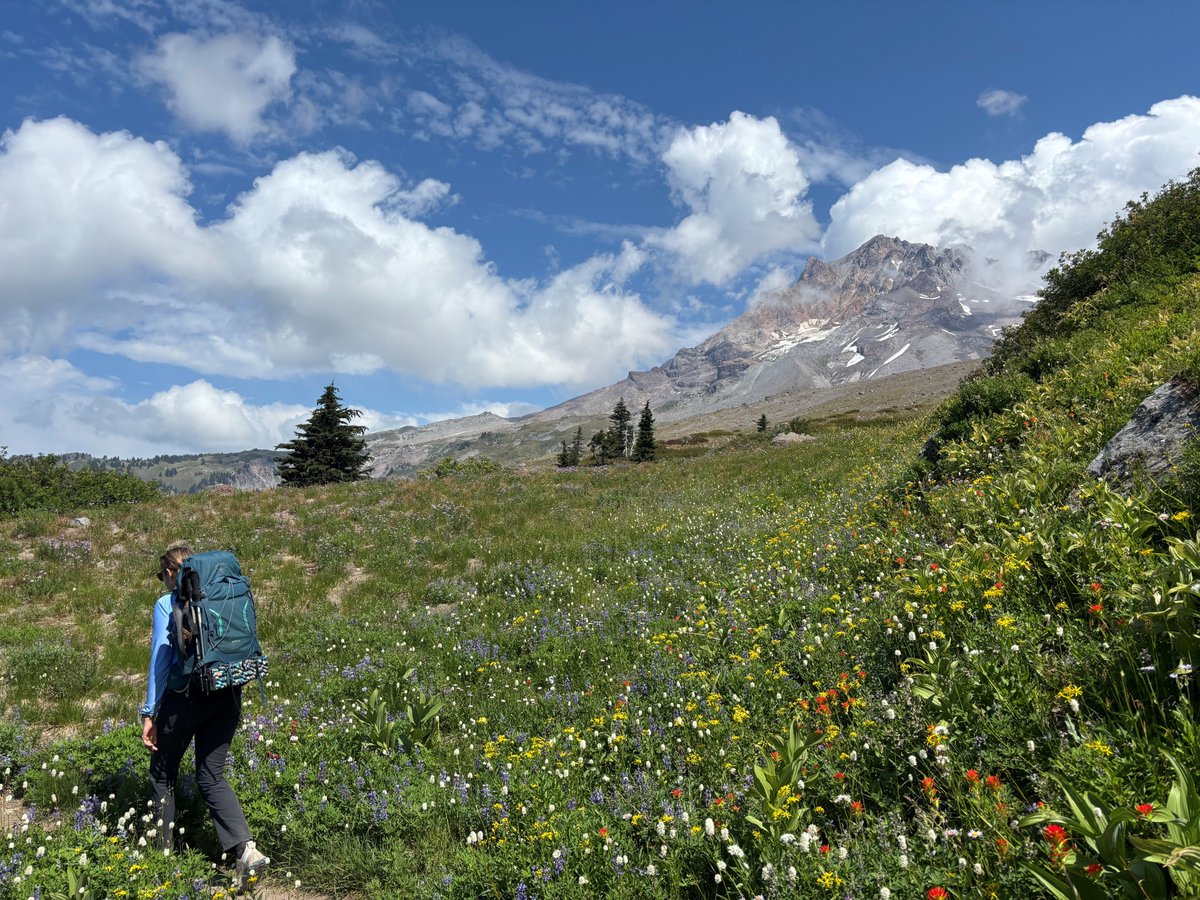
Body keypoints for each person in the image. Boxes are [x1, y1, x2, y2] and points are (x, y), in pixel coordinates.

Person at [139, 542, 269, 886]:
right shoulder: (223, 595)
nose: (163, 581)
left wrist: (150, 713)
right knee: (211, 775)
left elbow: (160, 663)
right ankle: (246, 851)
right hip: (230, 689)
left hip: (189, 697)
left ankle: (161, 859)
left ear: (170, 573)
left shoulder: (169, 602)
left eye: (161, 575)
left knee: (162, 772)